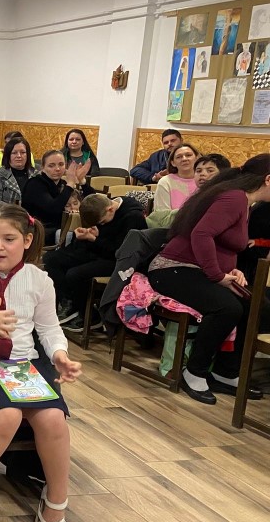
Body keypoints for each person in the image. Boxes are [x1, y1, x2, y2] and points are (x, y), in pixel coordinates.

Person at [0, 205, 81, 522]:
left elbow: (49, 328)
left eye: (9, 239)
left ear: (27, 241)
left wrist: (60, 355)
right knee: (6, 416)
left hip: (22, 363)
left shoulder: (38, 280)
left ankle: (56, 498)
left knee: (53, 419)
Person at [147, 155, 270, 405]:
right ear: (268, 179)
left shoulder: (244, 201)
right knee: (228, 307)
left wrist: (232, 270)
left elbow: (224, 244)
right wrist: (217, 275)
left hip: (195, 270)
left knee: (256, 305)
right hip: (172, 269)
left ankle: (225, 372)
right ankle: (194, 371)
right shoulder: (235, 198)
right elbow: (201, 234)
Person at [43, 192, 146, 329]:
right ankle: (69, 302)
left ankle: (90, 316)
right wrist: (81, 236)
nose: (101, 225)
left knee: (75, 274)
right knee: (51, 259)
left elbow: (120, 251)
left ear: (110, 209)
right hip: (96, 250)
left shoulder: (133, 217)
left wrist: (95, 239)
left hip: (117, 261)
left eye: (102, 222)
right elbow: (95, 237)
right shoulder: (100, 208)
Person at [22, 150, 95, 246]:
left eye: (61, 164)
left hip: (62, 229)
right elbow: (53, 209)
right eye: (51, 166)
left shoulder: (63, 184)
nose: (57, 169)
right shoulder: (35, 184)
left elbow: (94, 203)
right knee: (75, 237)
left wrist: (82, 181)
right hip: (38, 231)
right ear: (43, 168)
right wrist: (70, 184)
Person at [0, 135, 36, 209]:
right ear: (8, 155)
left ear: (28, 155)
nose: (19, 156)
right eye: (14, 153)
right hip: (3, 214)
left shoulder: (36, 175)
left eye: (23, 152)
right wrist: (18, 211)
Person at [154, 143, 201, 212]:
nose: (184, 159)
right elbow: (162, 214)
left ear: (197, 158)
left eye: (188, 155)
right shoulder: (166, 182)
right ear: (173, 163)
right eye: (179, 157)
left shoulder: (205, 180)